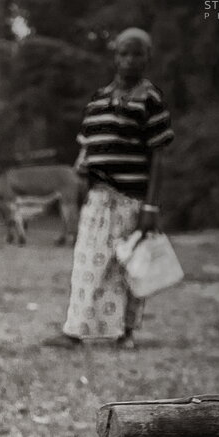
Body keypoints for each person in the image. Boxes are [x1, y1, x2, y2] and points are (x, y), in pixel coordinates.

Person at [50, 27, 173, 349]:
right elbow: (86, 150)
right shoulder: (97, 100)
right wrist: (79, 191)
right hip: (99, 199)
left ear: (148, 58)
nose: (130, 60)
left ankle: (126, 332)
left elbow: (158, 156)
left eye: (137, 54)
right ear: (115, 56)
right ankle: (74, 330)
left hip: (132, 200)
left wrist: (151, 206)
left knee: (130, 267)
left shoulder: (150, 100)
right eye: (124, 53)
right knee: (87, 264)